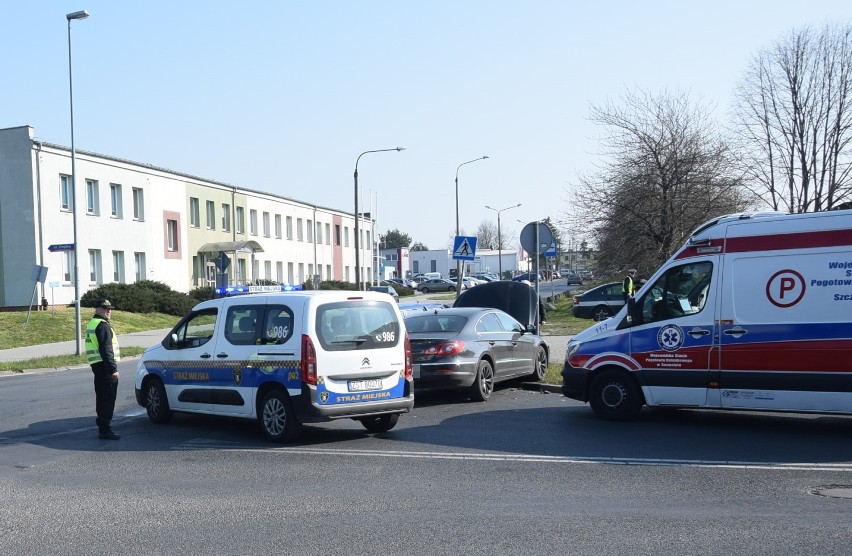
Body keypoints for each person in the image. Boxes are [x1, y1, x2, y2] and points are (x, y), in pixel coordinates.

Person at [85, 299, 121, 440]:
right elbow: (107, 349)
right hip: (106, 368)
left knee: (101, 397)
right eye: (105, 308)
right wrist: (113, 369)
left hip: (97, 367)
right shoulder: (102, 325)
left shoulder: (92, 323)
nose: (109, 311)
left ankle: (102, 427)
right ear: (97, 309)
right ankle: (105, 429)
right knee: (108, 398)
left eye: (110, 308)